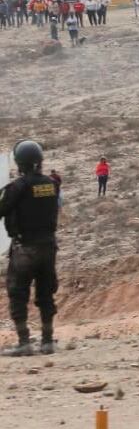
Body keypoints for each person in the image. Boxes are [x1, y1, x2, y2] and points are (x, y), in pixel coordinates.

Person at [0, 141, 60, 355]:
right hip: (49, 246)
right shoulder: (52, 184)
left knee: (17, 293)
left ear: (20, 163)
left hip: (25, 248)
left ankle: (24, 342)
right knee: (46, 293)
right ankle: (47, 341)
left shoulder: (17, 187)